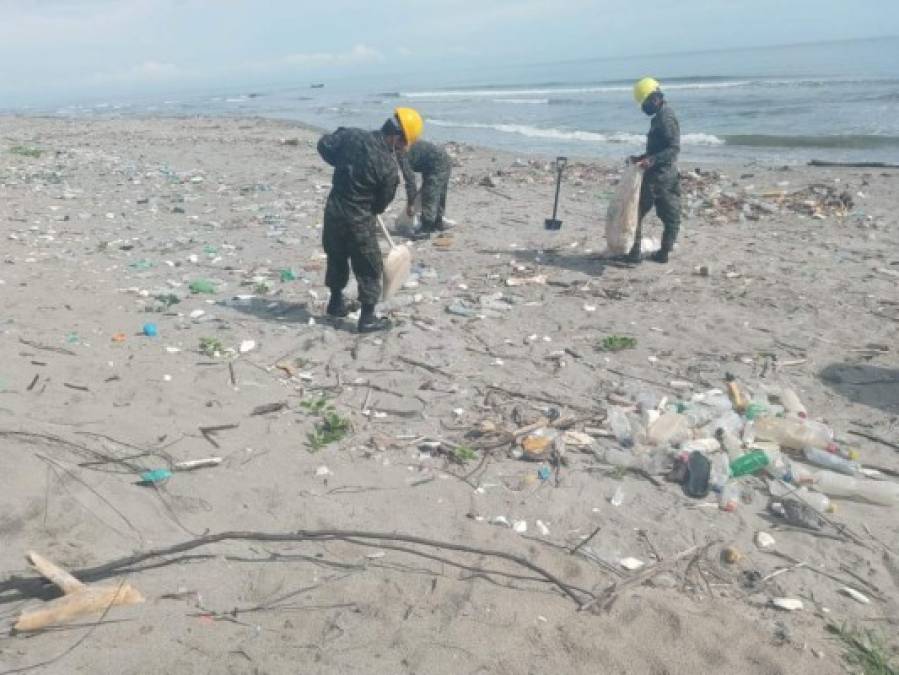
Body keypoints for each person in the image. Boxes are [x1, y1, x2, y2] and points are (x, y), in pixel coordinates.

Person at [316, 107, 423, 332]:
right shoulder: (388, 167)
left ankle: (335, 303)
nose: (402, 149)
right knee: (369, 266)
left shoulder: (352, 136)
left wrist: (340, 162)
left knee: (336, 256)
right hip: (359, 219)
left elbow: (324, 145)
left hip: (334, 210)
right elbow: (380, 205)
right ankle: (367, 319)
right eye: (403, 144)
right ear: (395, 137)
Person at [629, 77, 681, 264]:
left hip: (662, 177)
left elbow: (673, 148)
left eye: (644, 103)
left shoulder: (666, 117)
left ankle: (657, 252)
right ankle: (655, 253)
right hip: (659, 174)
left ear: (654, 98)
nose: (643, 108)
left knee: (643, 214)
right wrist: (642, 157)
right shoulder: (659, 117)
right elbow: (658, 148)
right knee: (668, 216)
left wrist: (652, 160)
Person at [399, 139, 452, 239]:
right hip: (438, 161)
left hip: (438, 162)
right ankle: (437, 222)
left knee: (430, 193)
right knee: (439, 192)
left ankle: (426, 228)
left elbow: (410, 181)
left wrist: (411, 204)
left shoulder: (402, 154)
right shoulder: (402, 146)